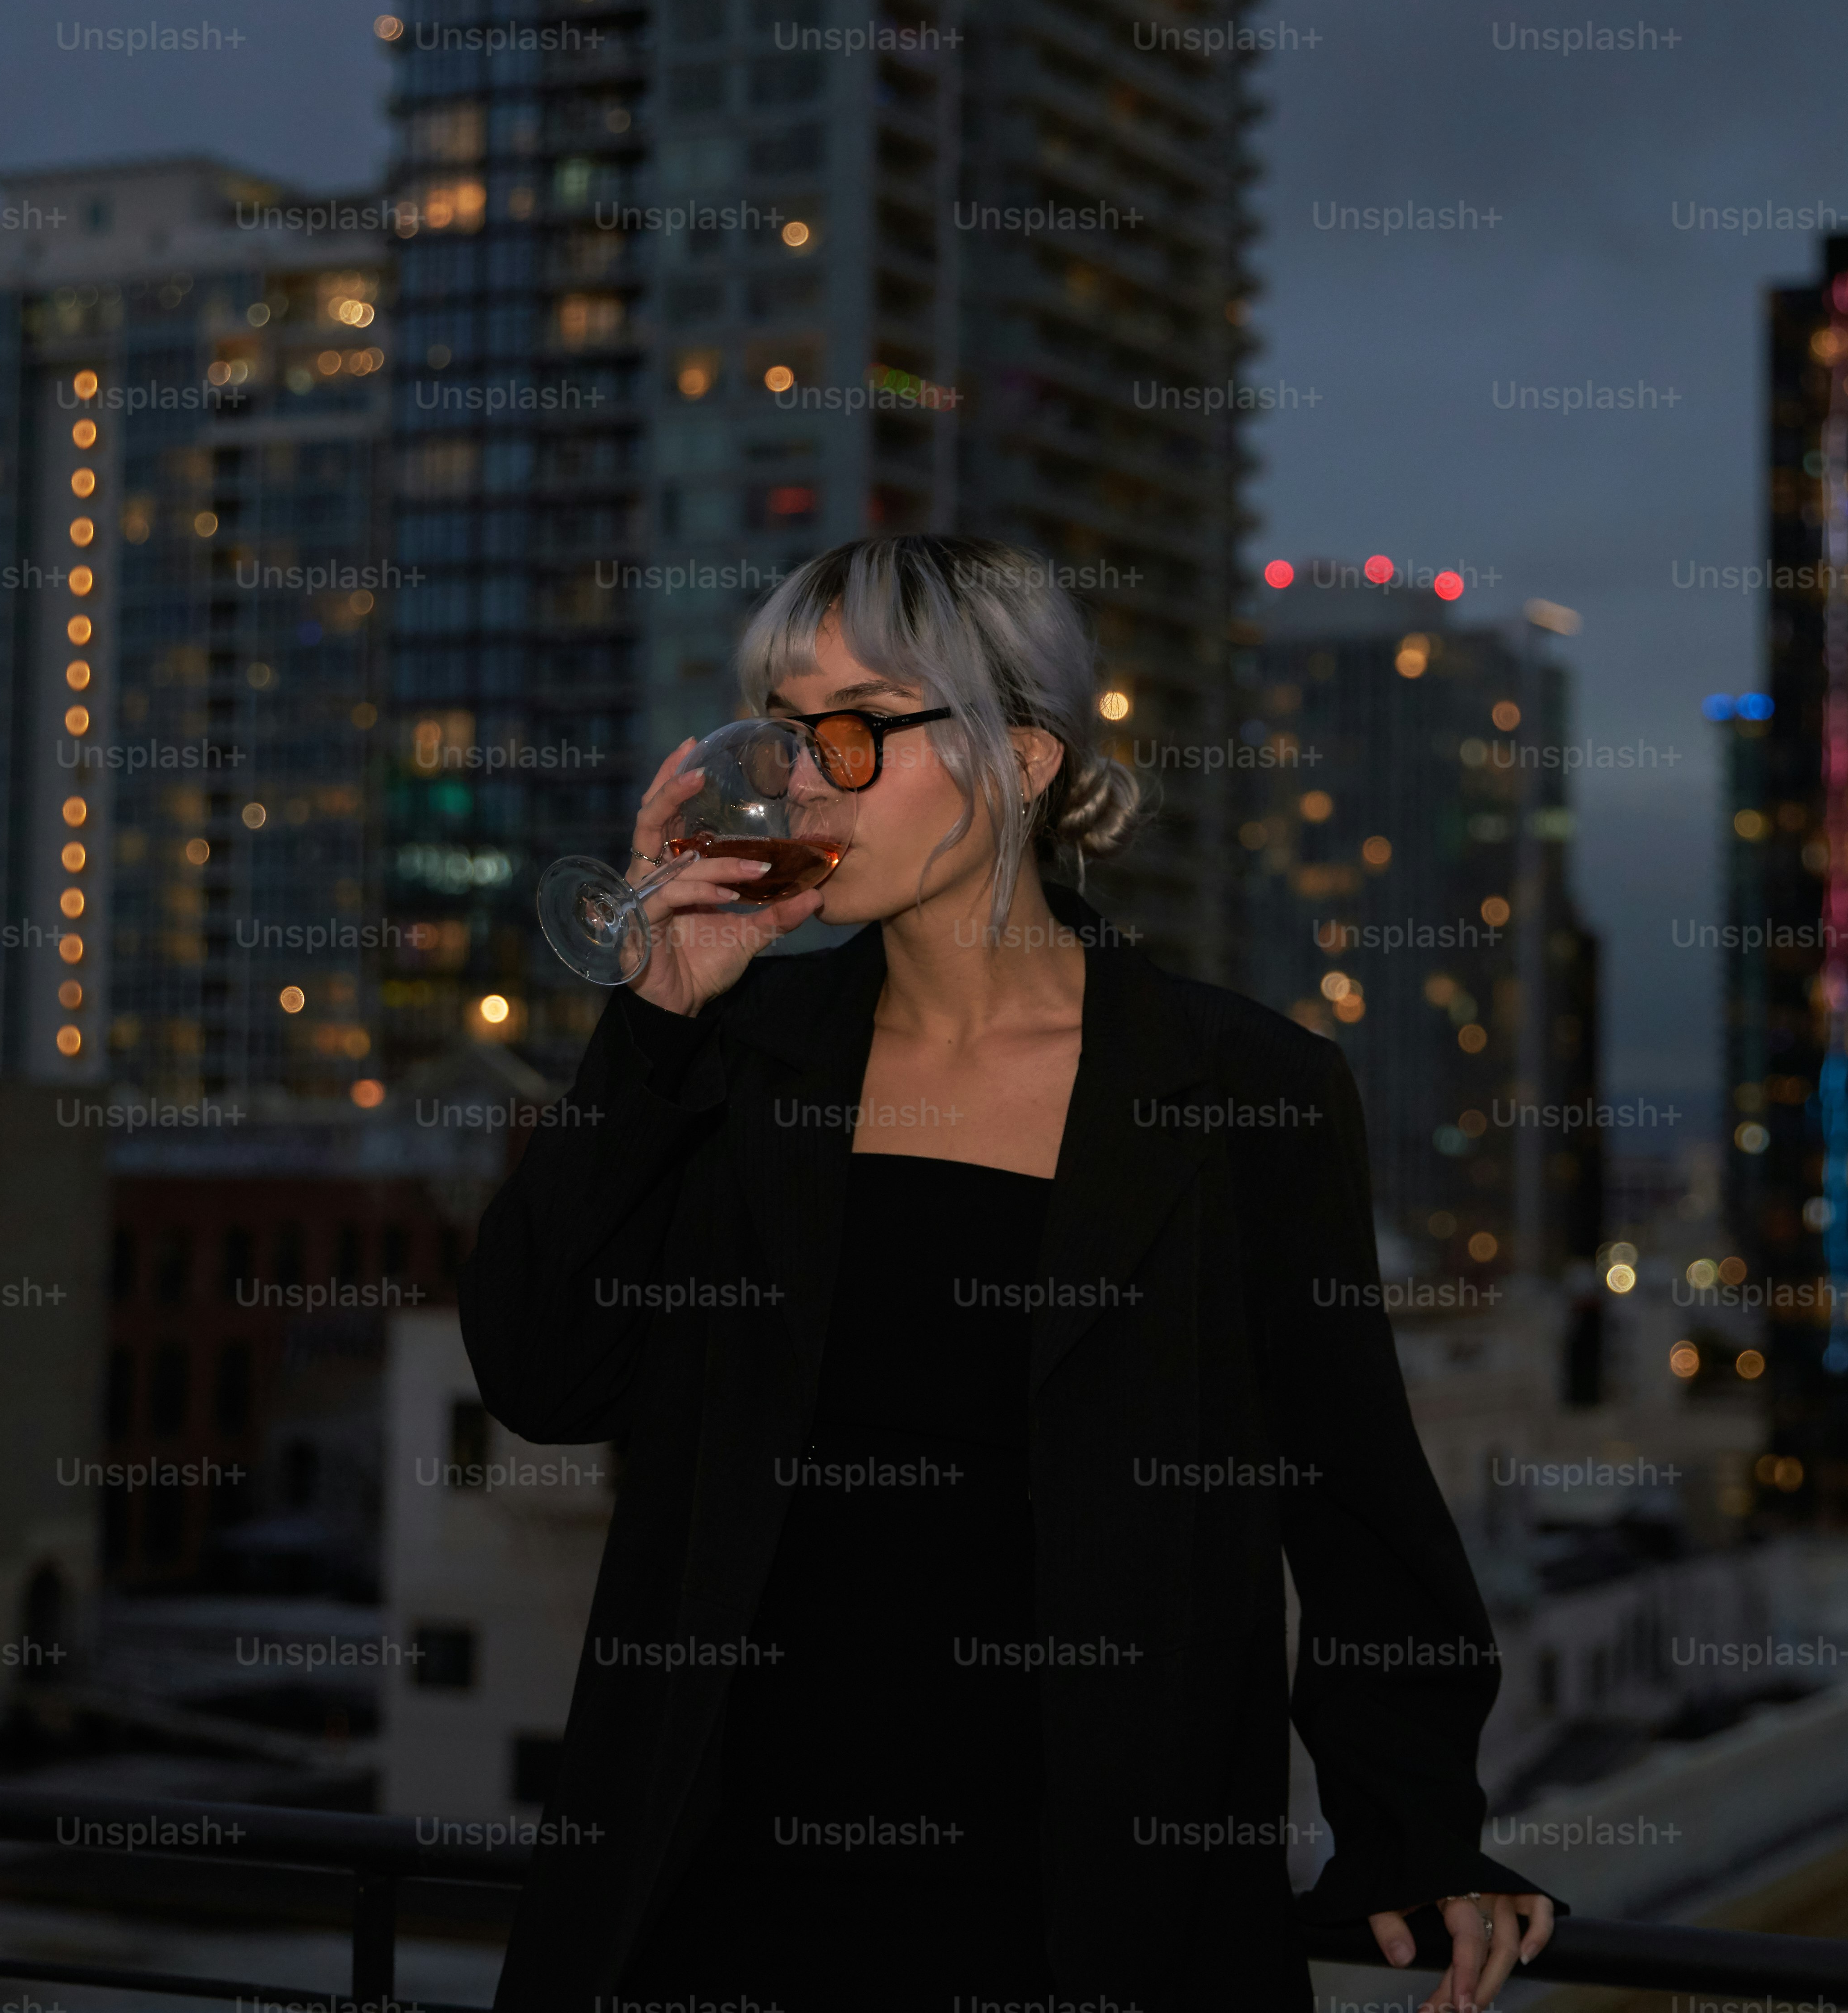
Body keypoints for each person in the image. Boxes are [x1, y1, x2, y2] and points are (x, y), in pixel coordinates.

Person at [461, 535, 1558, 2012]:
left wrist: (1415, 1829)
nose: (799, 780)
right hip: (714, 1900)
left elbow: (1354, 1494)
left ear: (1022, 760)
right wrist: (652, 1022)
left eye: (856, 728)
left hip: (1082, 1908)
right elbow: (542, 1374)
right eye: (782, 731)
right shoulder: (733, 1061)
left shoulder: (1242, 1089)